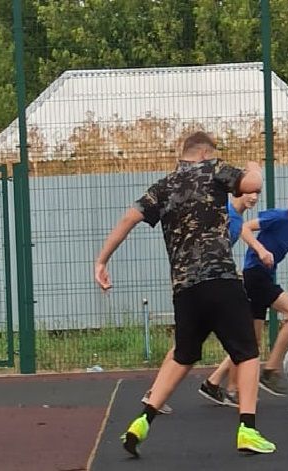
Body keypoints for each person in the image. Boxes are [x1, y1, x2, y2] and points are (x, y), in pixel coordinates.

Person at [94, 132, 276, 456]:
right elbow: (252, 185)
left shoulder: (163, 187)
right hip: (220, 280)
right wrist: (255, 168)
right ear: (204, 152)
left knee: (183, 355)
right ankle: (248, 429)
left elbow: (128, 217)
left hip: (185, 289)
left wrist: (101, 260)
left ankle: (142, 421)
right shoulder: (214, 169)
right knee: (247, 351)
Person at [198, 180, 288, 403]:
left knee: (250, 343)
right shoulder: (278, 217)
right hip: (255, 274)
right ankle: (270, 371)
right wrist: (260, 250)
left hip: (265, 276)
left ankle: (213, 383)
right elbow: (244, 228)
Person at [141, 191, 259, 413]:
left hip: (210, 283)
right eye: (249, 191)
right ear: (237, 190)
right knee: (187, 347)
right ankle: (155, 394)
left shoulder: (237, 220)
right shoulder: (223, 212)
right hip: (199, 285)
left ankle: (216, 386)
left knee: (189, 345)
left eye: (257, 193)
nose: (253, 197)